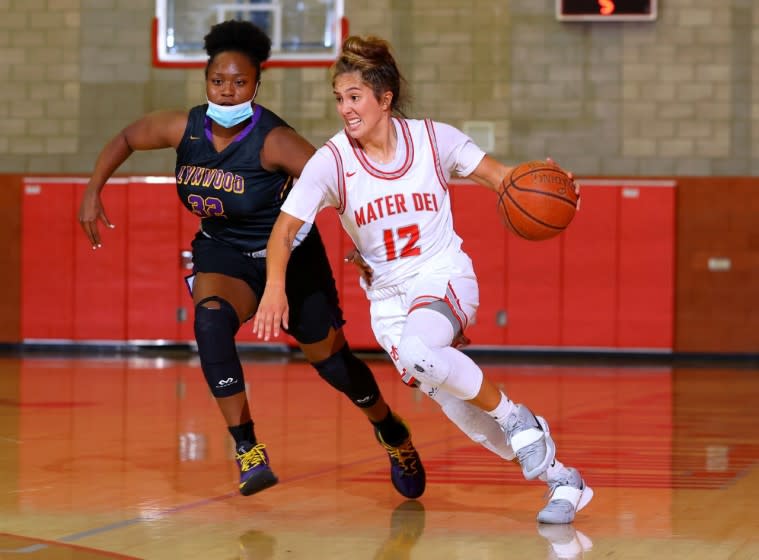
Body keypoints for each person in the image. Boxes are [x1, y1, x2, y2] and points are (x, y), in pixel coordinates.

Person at [76, 21, 426, 500]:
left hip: (291, 257)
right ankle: (248, 449)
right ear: (206, 82)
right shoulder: (185, 127)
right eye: (218, 81)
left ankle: (390, 429)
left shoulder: (275, 140)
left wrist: (364, 245)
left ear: (256, 85)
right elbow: (127, 138)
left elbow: (344, 185)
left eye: (239, 82)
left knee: (333, 364)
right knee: (210, 323)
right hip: (224, 253)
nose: (227, 91)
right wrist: (93, 191)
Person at [253, 35, 593, 524]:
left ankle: (518, 417)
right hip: (388, 303)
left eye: (354, 98)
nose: (345, 109)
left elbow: (504, 179)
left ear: (384, 98)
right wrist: (274, 287)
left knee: (430, 359)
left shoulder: (435, 139)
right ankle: (564, 480)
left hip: (443, 275)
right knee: (467, 415)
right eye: (339, 99)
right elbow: (285, 230)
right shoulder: (332, 161)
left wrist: (554, 185)